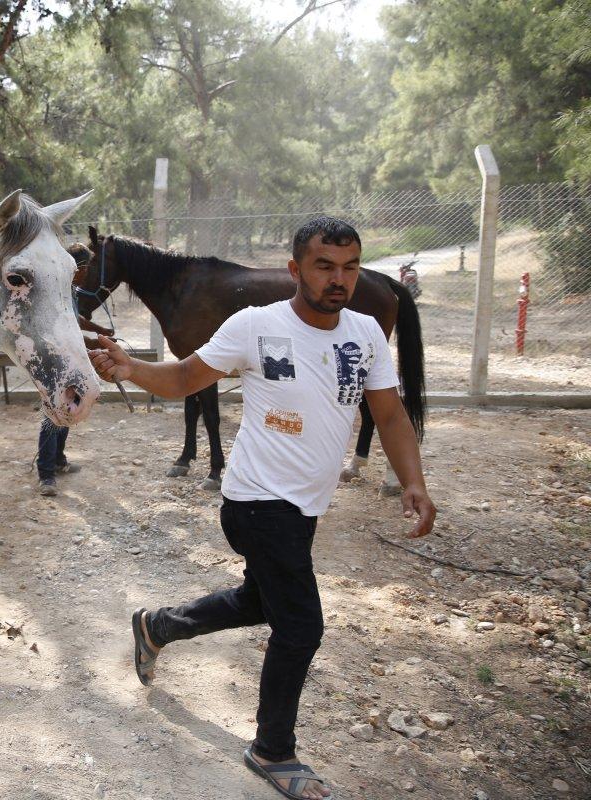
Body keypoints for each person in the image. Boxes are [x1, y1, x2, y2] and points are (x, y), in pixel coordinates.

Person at [90, 217, 436, 800]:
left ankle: (157, 626)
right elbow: (183, 378)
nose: (339, 279)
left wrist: (414, 481)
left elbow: (391, 414)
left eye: (350, 267)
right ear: (296, 269)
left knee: (261, 599)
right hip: (256, 500)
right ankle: (273, 749)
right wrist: (130, 367)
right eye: (325, 266)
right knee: (300, 626)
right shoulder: (255, 325)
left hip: (304, 506)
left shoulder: (366, 334)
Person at [36, 248, 116, 496]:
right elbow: (57, 330)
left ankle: (58, 460)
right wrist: (91, 343)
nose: (88, 276)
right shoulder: (53, 290)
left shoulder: (70, 290)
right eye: (87, 270)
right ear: (78, 268)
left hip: (70, 360)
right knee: (52, 415)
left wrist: (100, 330)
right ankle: (46, 474)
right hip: (53, 361)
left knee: (69, 408)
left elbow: (75, 319)